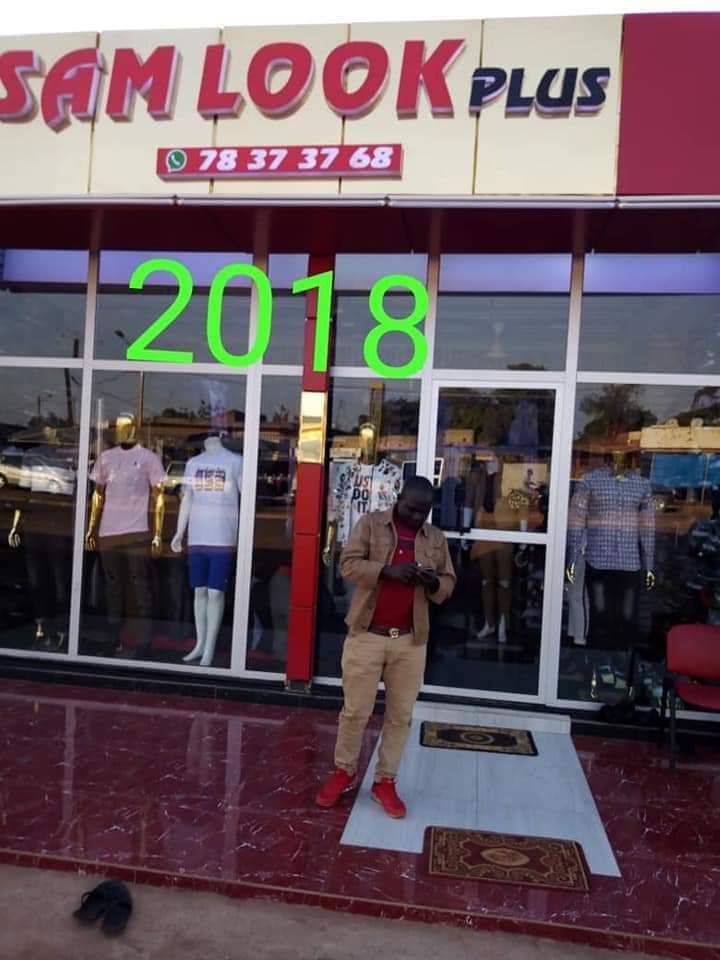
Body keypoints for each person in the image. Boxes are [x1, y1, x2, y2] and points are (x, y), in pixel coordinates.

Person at [315, 476, 456, 819]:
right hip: (367, 635)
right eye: (411, 509)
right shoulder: (371, 524)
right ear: (398, 498)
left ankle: (385, 781)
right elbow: (348, 564)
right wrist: (387, 572)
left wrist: (433, 582)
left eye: (424, 512)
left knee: (400, 716)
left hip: (410, 641)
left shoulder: (436, 539)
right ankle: (344, 772)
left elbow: (448, 583)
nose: (417, 516)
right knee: (355, 711)